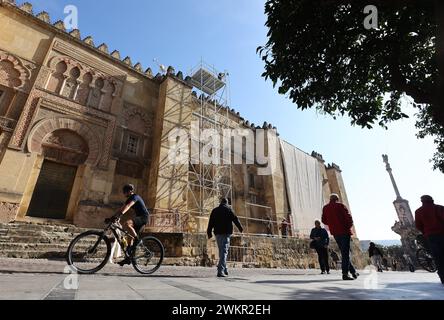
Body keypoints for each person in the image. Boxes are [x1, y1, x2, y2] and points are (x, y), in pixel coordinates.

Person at [322, 193, 359, 280]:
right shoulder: (341, 206)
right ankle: (345, 274)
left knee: (344, 252)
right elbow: (349, 218)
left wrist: (332, 224)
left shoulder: (326, 208)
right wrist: (348, 226)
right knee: (345, 253)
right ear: (337, 199)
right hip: (344, 232)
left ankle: (353, 272)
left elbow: (324, 220)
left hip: (335, 233)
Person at [111, 184, 150, 266]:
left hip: (144, 217)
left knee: (127, 223)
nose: (124, 194)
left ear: (129, 191)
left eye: (125, 192)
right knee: (129, 236)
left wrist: (120, 215)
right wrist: (113, 216)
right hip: (139, 217)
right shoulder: (129, 199)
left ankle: (137, 240)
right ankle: (128, 258)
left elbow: (128, 206)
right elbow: (122, 208)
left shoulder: (135, 197)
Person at [207, 198, 244, 277]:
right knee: (224, 252)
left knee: (222, 252)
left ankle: (225, 269)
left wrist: (209, 232)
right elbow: (235, 219)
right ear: (227, 203)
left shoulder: (214, 210)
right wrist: (241, 229)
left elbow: (210, 222)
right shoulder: (228, 210)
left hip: (217, 234)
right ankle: (220, 271)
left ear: (221, 202)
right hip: (225, 233)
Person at [415, 195, 444, 285]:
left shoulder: (418, 211)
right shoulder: (439, 208)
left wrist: (426, 232)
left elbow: (418, 225)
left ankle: (443, 277)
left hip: (431, 237)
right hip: (442, 234)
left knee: (438, 257)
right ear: (432, 200)